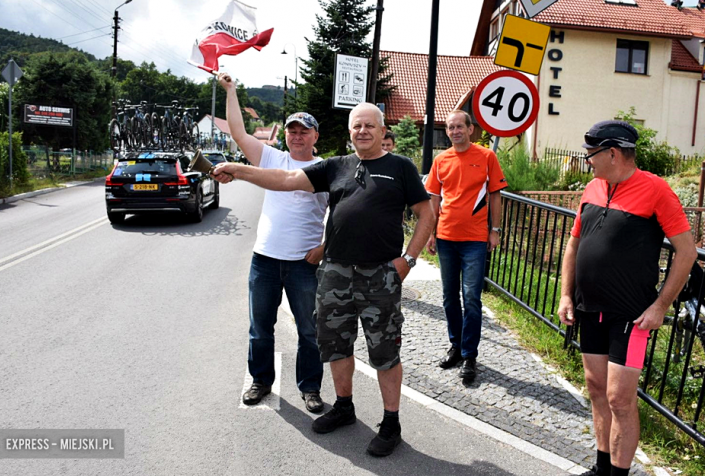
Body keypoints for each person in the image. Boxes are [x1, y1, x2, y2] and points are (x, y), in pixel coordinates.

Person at [213, 102, 435, 458]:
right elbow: (285, 180)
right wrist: (240, 170)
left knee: (384, 352)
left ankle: (390, 422)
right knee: (335, 344)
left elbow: (427, 213)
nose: (362, 131)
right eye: (356, 126)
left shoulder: (400, 168)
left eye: (369, 126)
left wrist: (408, 260)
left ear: (381, 131)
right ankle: (344, 406)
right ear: (349, 132)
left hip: (380, 275)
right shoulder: (336, 167)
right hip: (335, 272)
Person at [556, 121, 697, 476]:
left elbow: (687, 251)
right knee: (596, 389)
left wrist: (660, 306)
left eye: (591, 155)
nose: (588, 161)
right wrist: (565, 294)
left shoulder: (656, 190)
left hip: (630, 317)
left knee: (620, 399)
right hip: (589, 309)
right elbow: (574, 244)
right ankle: (602, 466)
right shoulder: (592, 188)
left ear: (613, 153)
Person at [218, 73, 328, 414]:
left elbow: (341, 215)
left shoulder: (326, 169)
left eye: (303, 131)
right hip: (264, 260)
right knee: (260, 329)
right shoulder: (272, 159)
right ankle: (261, 381)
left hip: (304, 265)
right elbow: (238, 133)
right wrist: (231, 90)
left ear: (315, 136)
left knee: (310, 331)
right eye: (292, 130)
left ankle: (310, 388)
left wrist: (325, 247)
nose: (296, 136)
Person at [424, 110, 508, 383]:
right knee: (449, 297)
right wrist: (430, 234)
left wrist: (494, 231)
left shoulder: (486, 157)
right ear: (447, 132)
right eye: (451, 127)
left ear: (470, 129)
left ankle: (470, 355)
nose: (455, 131)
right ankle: (456, 347)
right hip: (446, 238)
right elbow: (434, 200)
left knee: (471, 298)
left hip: (474, 239)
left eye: (460, 126)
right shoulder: (441, 159)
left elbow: (495, 196)